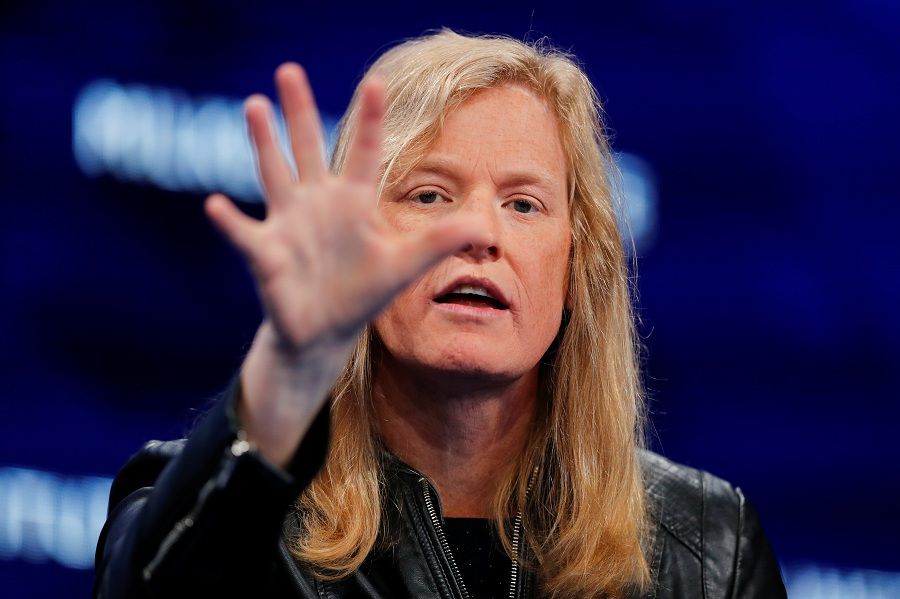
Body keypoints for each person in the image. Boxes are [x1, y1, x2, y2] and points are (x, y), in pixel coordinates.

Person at [93, 30, 787, 598]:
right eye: (429, 195)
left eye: (523, 203)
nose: (478, 233)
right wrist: (290, 371)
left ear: (577, 270)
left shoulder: (707, 551)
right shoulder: (202, 502)